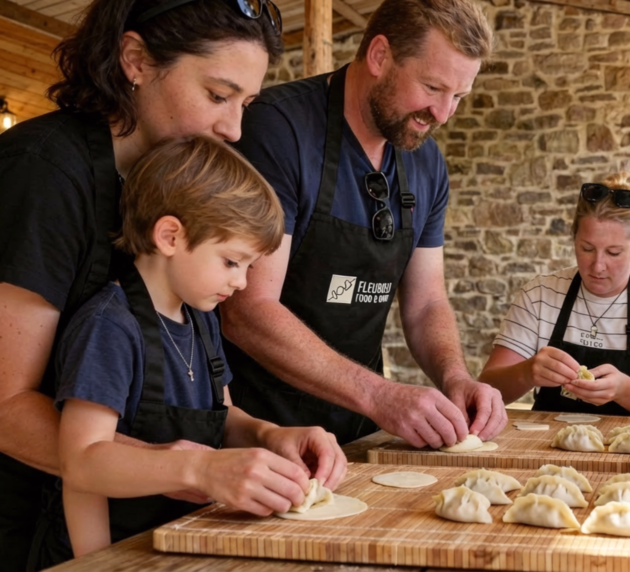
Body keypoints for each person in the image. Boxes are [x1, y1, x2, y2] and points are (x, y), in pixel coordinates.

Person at [0, 1, 282, 570]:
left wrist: (266, 437)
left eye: (246, 103)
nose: (235, 128)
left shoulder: (175, 203)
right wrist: (182, 467)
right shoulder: (44, 172)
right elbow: (5, 405)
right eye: (218, 95)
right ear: (135, 60)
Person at [43, 136, 345, 567]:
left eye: (248, 267)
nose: (241, 283)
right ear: (169, 236)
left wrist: (272, 436)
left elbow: (221, 419)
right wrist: (98, 563)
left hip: (186, 546)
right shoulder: (109, 327)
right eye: (230, 261)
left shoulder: (201, 317)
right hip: (119, 553)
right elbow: (83, 463)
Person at [225, 0, 505, 451]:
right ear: (379, 56)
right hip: (260, 436)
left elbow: (426, 301)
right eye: (433, 87)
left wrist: (455, 377)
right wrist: (379, 393)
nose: (443, 114)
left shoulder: (428, 164)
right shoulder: (279, 131)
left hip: (358, 433)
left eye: (458, 96)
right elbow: (246, 309)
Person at [478, 172, 630, 418]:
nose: (598, 266)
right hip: (545, 445)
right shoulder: (540, 294)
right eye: (587, 248)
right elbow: (487, 388)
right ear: (573, 239)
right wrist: (527, 373)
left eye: (614, 252)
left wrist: (623, 390)